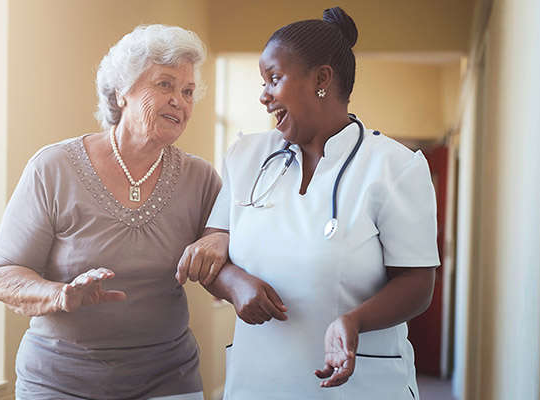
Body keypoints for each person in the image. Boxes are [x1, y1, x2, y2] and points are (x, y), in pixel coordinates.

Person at [180, 7, 439, 399]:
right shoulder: (246, 155)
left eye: (274, 79)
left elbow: (418, 282)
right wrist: (235, 284)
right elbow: (213, 249)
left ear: (321, 79)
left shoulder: (394, 167)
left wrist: (354, 321)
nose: (264, 95)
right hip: (259, 380)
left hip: (358, 385)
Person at [0, 24, 222, 400]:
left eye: (188, 91)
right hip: (60, 379)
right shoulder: (54, 167)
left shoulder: (201, 178)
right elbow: (2, 276)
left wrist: (223, 239)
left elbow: (233, 251)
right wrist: (62, 295)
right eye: (165, 85)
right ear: (121, 91)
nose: (180, 100)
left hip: (167, 377)